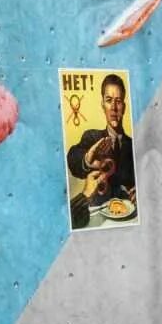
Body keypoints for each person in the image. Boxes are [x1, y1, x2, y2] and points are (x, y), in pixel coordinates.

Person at [67, 73, 136, 228]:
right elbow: (73, 159)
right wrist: (87, 159)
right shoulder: (92, 137)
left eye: (118, 101)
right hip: (96, 223)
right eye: (109, 100)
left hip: (129, 222)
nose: (113, 107)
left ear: (124, 107)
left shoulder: (133, 145)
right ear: (102, 105)